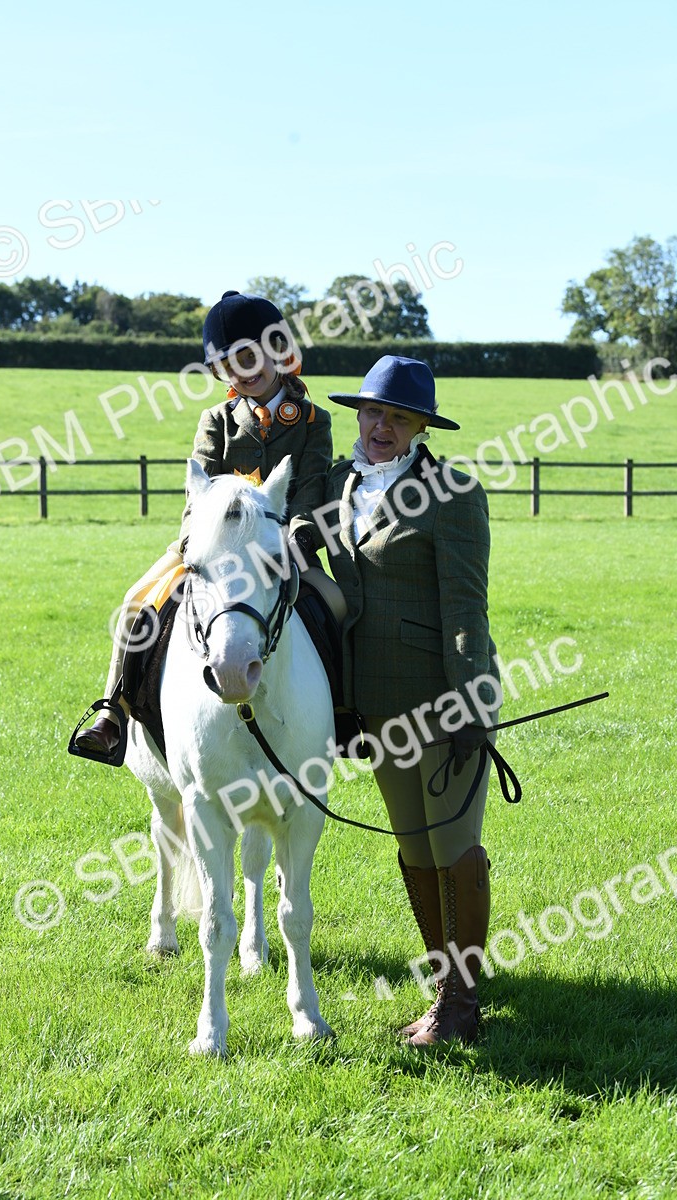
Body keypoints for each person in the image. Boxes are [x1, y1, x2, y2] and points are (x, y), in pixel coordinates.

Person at [75, 290, 341, 761]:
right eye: (228, 365)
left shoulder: (314, 422)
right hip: (212, 553)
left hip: (285, 550)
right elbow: (196, 490)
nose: (242, 370)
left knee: (340, 609)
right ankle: (112, 709)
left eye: (248, 356)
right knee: (138, 600)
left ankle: (341, 715)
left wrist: (296, 538)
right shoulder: (216, 419)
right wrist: (190, 544)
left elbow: (311, 488)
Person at [323, 355, 501, 1048]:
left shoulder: (452, 493)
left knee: (454, 848)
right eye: (373, 412)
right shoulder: (340, 486)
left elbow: (466, 609)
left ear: (421, 426)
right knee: (414, 849)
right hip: (374, 710)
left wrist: (472, 706)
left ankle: (461, 1007)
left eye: (399, 417)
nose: (382, 427)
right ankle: (446, 986)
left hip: (441, 701)